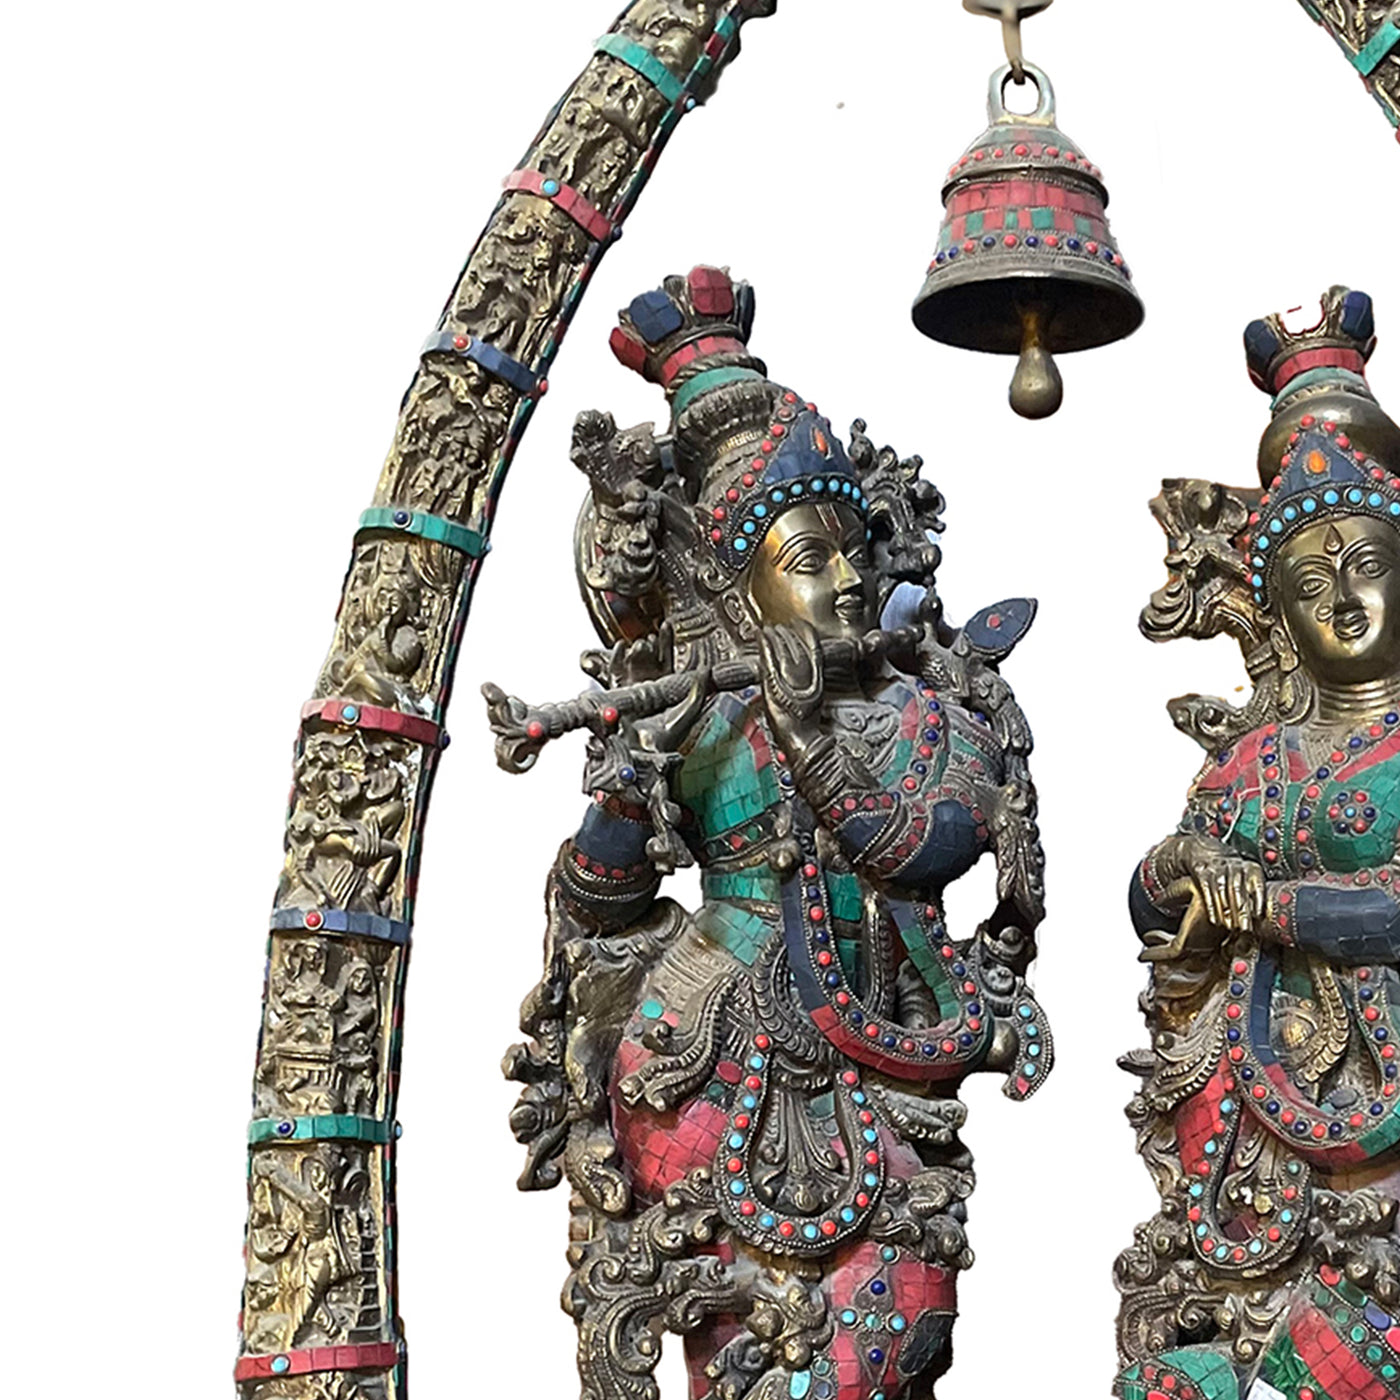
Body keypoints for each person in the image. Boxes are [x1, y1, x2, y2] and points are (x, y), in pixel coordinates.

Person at [492, 268, 1053, 1400]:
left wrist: (807, 733)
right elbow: (598, 903)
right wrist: (628, 786)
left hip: (885, 1043)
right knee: (737, 1345)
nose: (844, 581)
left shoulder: (921, 707)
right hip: (702, 1048)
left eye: (851, 553)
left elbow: (930, 846)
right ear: (741, 590)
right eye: (806, 561)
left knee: (899, 1330)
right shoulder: (698, 714)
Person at [1119, 287, 1400, 1400]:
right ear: (1274, 612)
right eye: (1309, 580)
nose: (1344, 597)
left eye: (1368, 563)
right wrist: (1184, 868)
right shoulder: (1251, 760)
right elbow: (1153, 901)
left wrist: (1276, 908)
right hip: (1248, 1118)